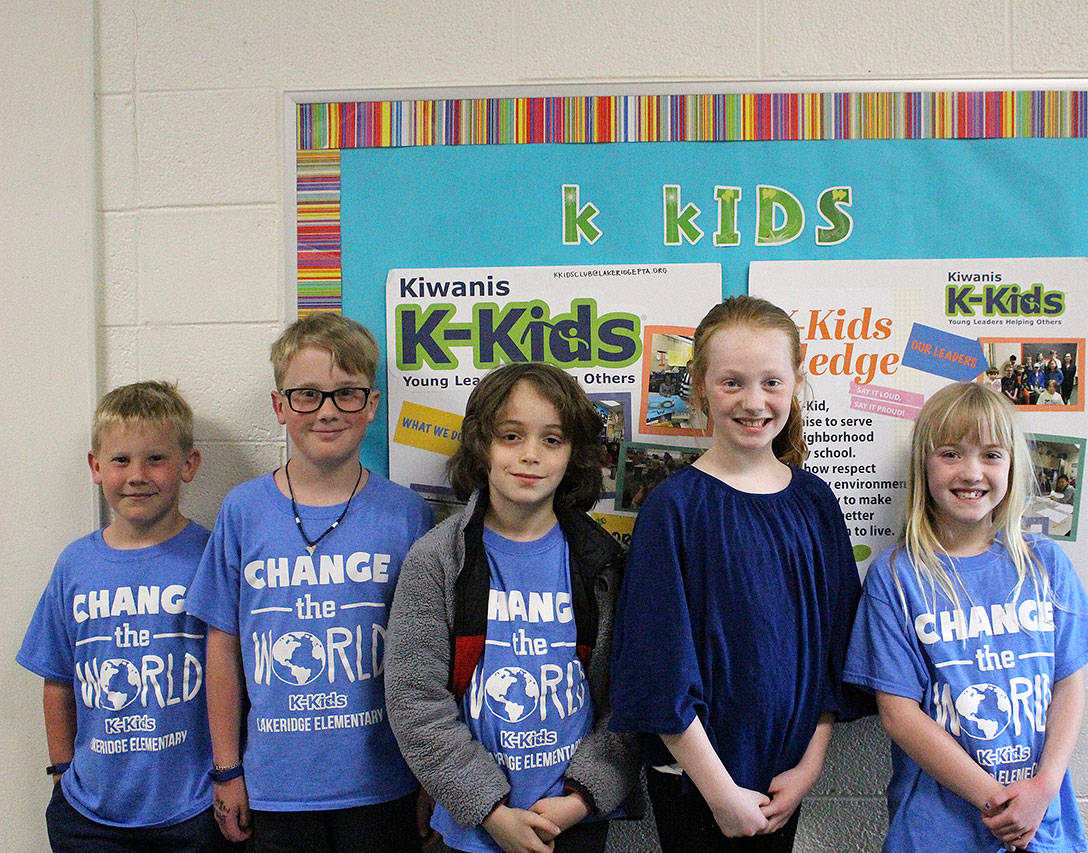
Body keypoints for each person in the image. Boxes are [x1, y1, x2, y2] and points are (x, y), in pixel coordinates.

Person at [609, 295, 869, 851]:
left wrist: (809, 768)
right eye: (733, 383)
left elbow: (834, 651)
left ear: (797, 382)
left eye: (771, 382)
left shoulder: (816, 503)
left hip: (786, 778)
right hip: (695, 784)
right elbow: (657, 667)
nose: (754, 402)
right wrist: (719, 790)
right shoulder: (672, 509)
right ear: (700, 387)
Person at [185, 314, 435, 851]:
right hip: (275, 788)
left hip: (384, 784)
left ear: (372, 405)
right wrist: (227, 770)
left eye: (347, 394)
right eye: (307, 394)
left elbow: (428, 657)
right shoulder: (243, 511)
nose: (326, 410)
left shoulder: (407, 515)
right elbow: (223, 646)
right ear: (279, 407)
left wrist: (430, 775)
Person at [843, 382, 1088, 852]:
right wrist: (996, 802)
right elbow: (898, 714)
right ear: (923, 466)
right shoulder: (895, 578)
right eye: (951, 453)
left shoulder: (1045, 565)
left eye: (991, 455)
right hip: (936, 831)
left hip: (1043, 824)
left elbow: (1070, 684)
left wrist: (1043, 790)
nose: (972, 472)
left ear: (1012, 466)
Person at [385, 362, 639, 853]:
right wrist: (489, 810)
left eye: (552, 440)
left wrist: (582, 800)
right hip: (475, 828)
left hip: (572, 820)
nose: (530, 456)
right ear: (482, 444)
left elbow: (624, 700)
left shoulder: (601, 562)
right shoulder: (438, 559)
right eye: (510, 436)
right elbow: (414, 699)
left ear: (572, 454)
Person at [18, 381, 228, 851]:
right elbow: (57, 679)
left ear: (188, 464)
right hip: (91, 814)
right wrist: (60, 772)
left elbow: (232, 675)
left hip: (192, 809)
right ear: (95, 467)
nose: (137, 475)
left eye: (156, 459)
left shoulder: (211, 556)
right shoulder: (75, 565)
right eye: (120, 460)